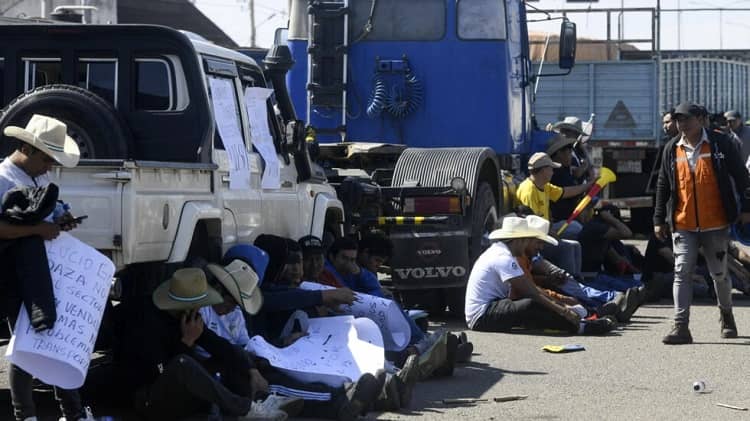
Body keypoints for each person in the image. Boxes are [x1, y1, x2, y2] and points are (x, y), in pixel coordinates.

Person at [0, 115, 96, 421]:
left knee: (48, 337)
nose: (50, 167)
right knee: (29, 341)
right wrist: (37, 230)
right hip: (11, 274)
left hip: (39, 272)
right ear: (29, 150)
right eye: (47, 159)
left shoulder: (37, 178)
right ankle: (28, 415)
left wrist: (57, 223)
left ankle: (72, 412)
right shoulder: (2, 178)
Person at [112, 267, 289, 420]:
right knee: (184, 364)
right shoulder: (146, 323)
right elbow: (162, 372)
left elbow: (220, 346)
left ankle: (258, 401)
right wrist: (186, 342)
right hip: (148, 398)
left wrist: (251, 368)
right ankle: (246, 409)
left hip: (176, 390)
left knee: (225, 360)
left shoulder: (187, 316)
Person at [654, 102, 750, 344]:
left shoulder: (720, 144)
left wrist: (747, 209)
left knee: (719, 274)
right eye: (678, 120)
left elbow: (742, 177)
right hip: (683, 223)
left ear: (701, 120)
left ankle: (726, 315)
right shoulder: (671, 149)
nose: (681, 124)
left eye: (686, 119)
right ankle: (681, 327)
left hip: (715, 223)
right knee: (681, 271)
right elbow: (663, 185)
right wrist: (658, 219)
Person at [464, 215, 613, 335]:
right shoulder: (503, 257)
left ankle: (582, 319)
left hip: (493, 307)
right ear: (519, 240)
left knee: (535, 303)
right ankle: (580, 327)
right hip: (482, 316)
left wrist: (563, 305)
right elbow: (531, 293)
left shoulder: (502, 251)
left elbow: (531, 288)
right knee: (530, 304)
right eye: (526, 241)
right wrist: (564, 310)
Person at [516, 151, 593, 239]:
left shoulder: (545, 186)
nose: (553, 172)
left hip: (546, 229)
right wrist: (551, 234)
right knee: (574, 237)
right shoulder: (529, 191)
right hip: (537, 236)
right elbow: (532, 223)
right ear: (543, 170)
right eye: (551, 169)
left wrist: (589, 185)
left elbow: (565, 192)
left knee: (575, 228)